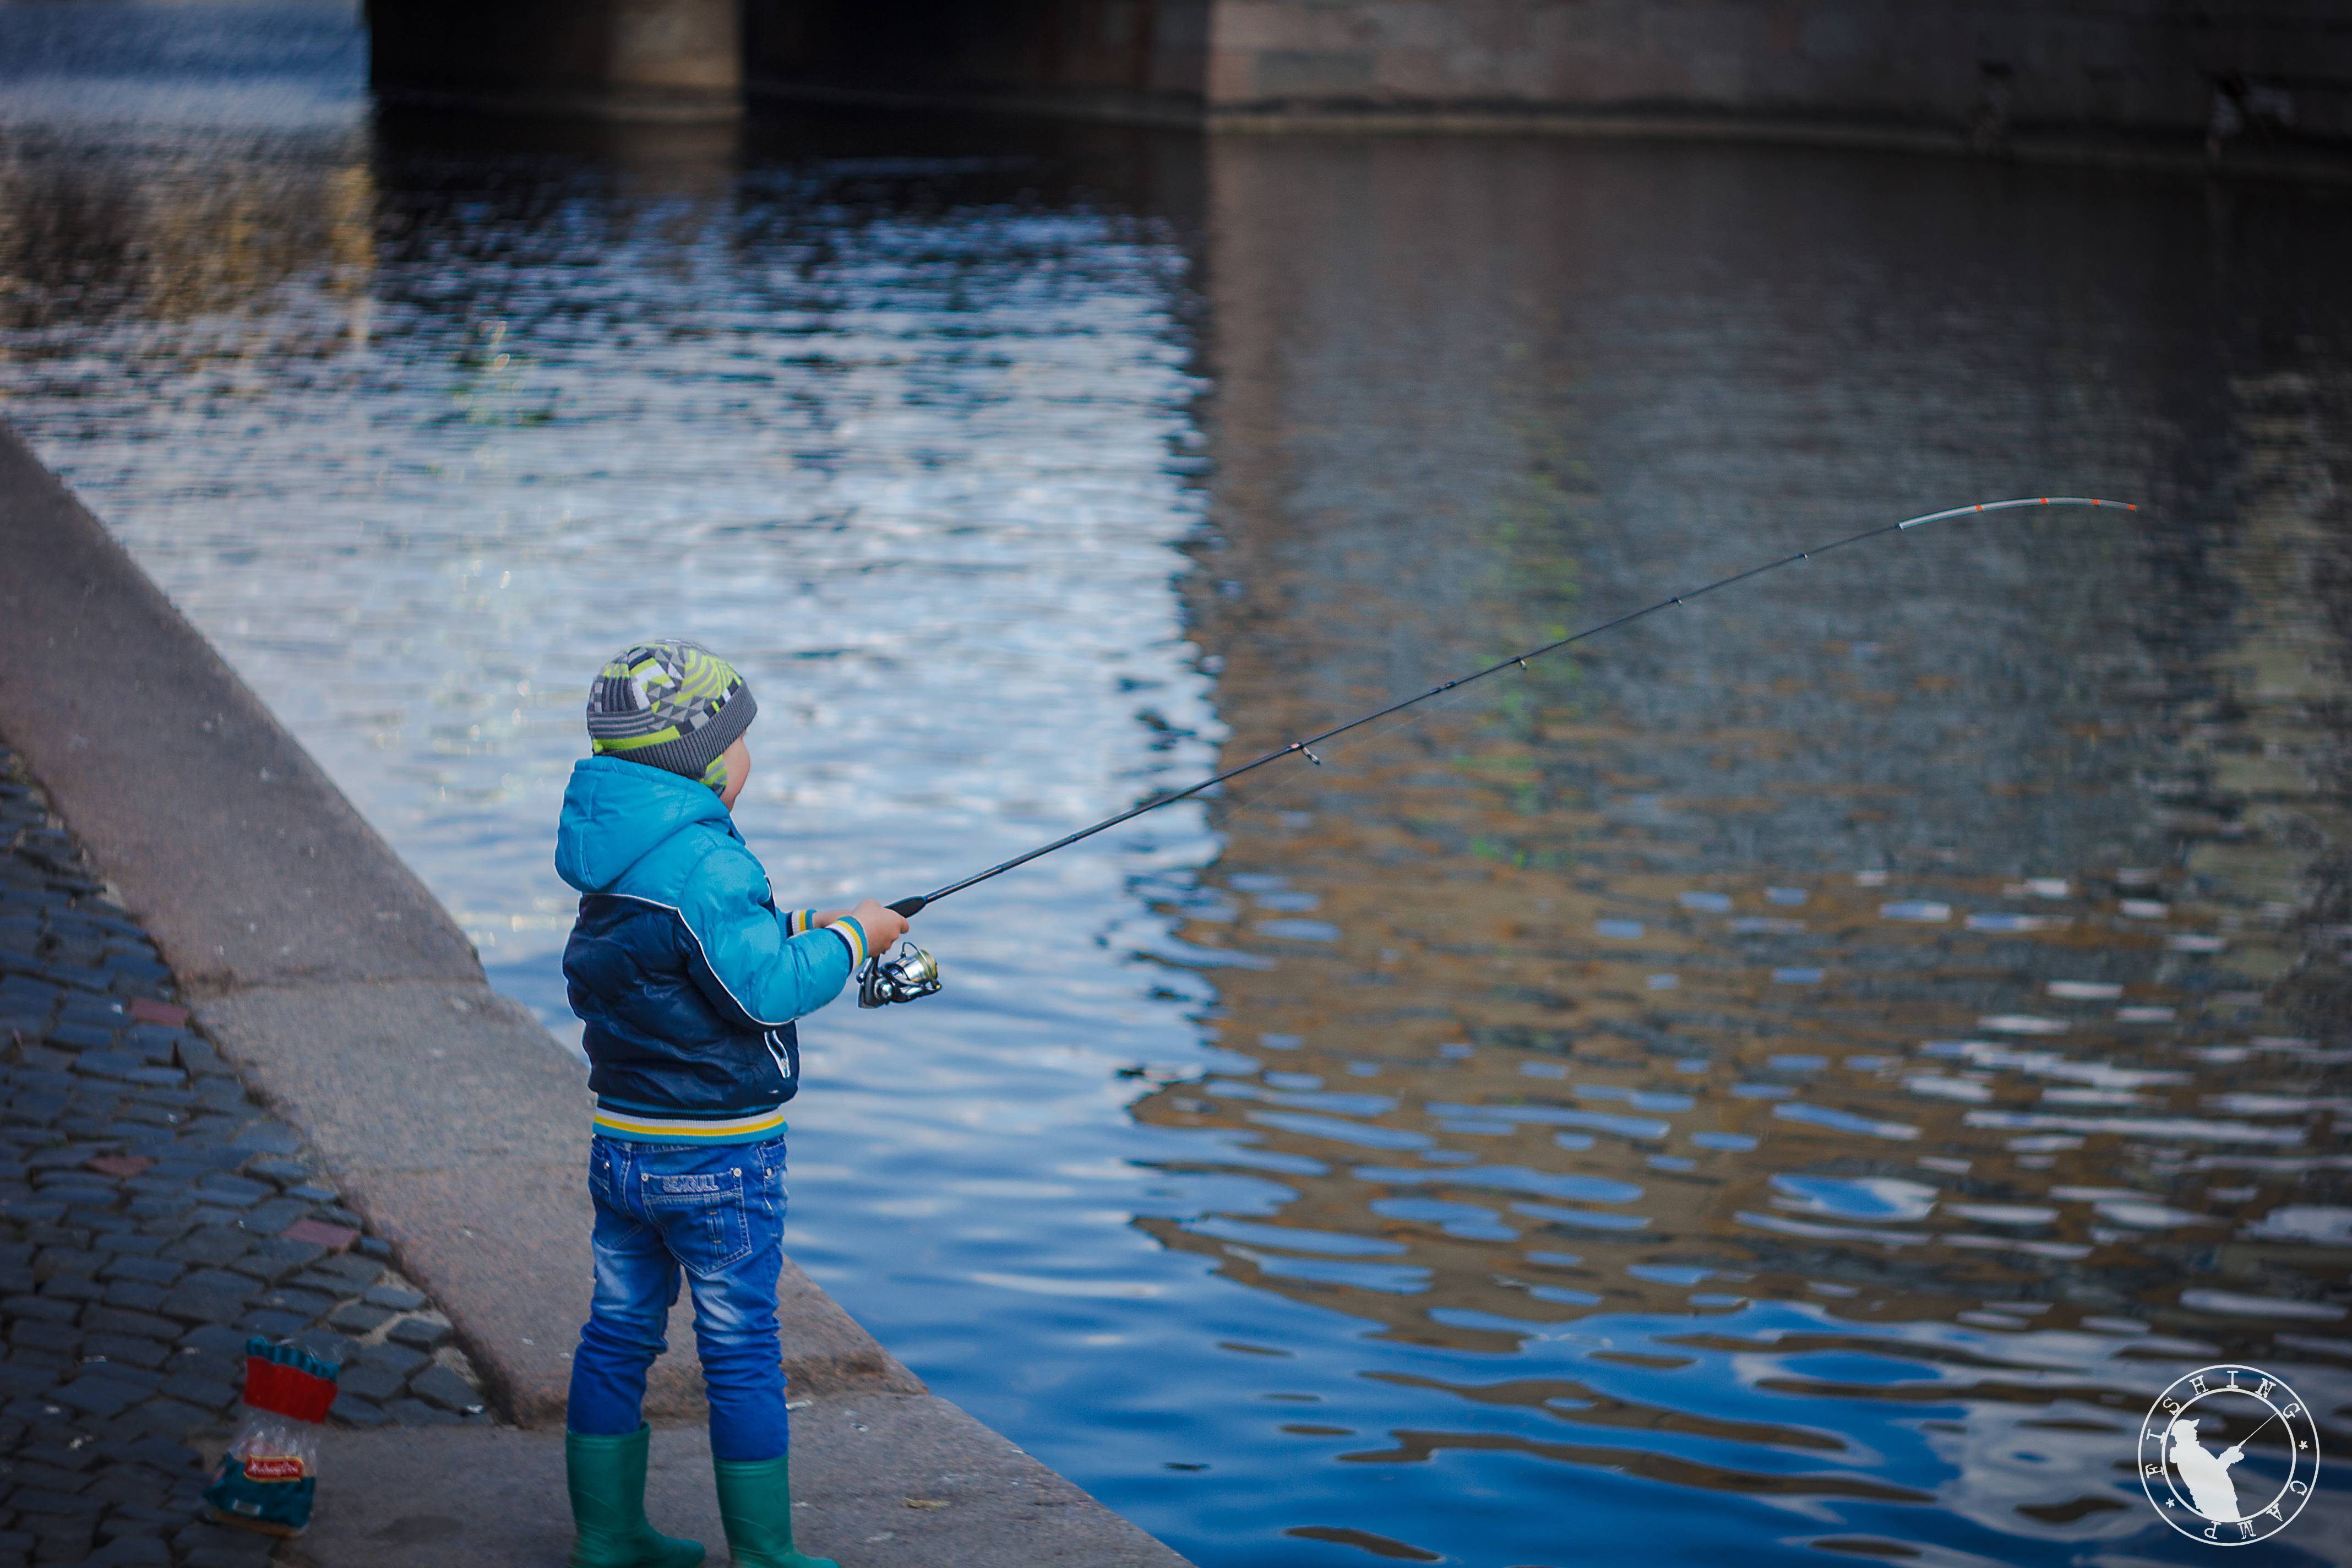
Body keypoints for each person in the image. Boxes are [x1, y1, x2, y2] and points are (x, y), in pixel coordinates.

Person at [552, 639, 910, 1568]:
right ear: (708, 758)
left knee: (619, 1331)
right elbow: (762, 993)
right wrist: (854, 941)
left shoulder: (615, 852)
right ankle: (764, 1554)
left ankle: (606, 1537)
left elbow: (675, 959)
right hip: (718, 1160)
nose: (750, 757)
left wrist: (805, 926)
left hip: (624, 1144)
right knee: (741, 1349)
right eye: (744, 739)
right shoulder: (710, 864)